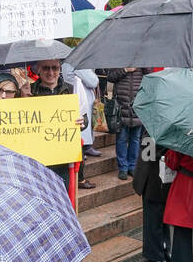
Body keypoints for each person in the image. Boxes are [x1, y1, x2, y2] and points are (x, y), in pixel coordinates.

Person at [31, 59, 94, 192]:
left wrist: (81, 122)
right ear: (38, 69)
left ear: (60, 69)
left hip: (63, 160)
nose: (51, 72)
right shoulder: (30, 92)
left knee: (63, 195)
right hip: (38, 161)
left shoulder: (71, 90)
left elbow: (85, 119)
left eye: (54, 68)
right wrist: (23, 98)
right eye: (46, 68)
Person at [103, 68, 145, 179]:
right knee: (121, 138)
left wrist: (144, 66)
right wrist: (125, 70)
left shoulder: (143, 61)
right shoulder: (119, 60)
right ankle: (123, 168)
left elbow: (149, 75)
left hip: (138, 105)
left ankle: (132, 166)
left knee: (135, 139)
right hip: (121, 106)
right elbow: (110, 77)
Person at [133, 152, 171, 262]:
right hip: (152, 176)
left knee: (161, 217)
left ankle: (163, 249)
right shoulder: (152, 138)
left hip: (161, 175)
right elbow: (148, 153)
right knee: (154, 217)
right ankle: (156, 254)